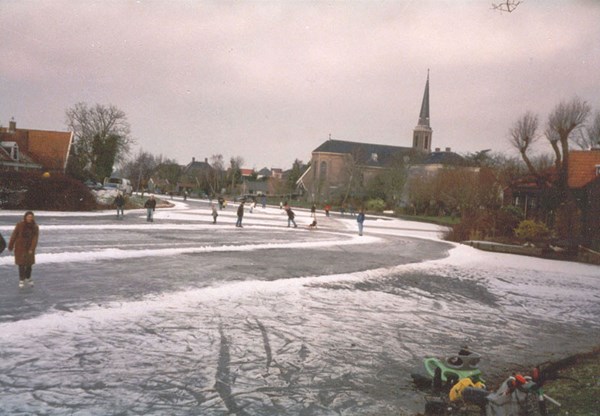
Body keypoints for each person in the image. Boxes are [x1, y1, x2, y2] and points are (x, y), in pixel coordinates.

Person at [8, 211, 39, 288]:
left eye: (31, 217)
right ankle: (21, 279)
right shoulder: (20, 225)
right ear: (25, 217)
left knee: (29, 264)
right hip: (20, 247)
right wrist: (11, 245)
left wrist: (32, 248)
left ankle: (28, 277)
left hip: (29, 248)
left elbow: (35, 239)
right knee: (21, 264)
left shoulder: (35, 227)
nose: (29, 218)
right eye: (28, 217)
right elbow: (14, 235)